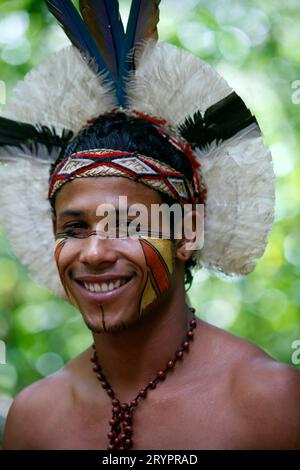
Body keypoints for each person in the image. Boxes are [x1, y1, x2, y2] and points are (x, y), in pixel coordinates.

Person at [0, 0, 299, 450]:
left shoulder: (270, 404)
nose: (95, 253)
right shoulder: (34, 418)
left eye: (126, 223)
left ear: (189, 231)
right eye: (74, 229)